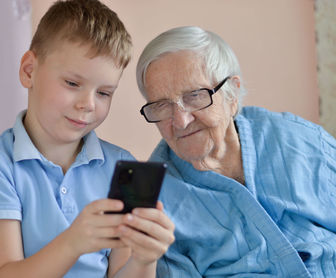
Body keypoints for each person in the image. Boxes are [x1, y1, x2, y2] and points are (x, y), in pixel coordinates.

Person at [0, 1, 174, 277]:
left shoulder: (123, 165)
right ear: (29, 71)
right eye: (73, 84)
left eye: (104, 93)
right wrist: (73, 242)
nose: (88, 104)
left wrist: (145, 260)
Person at [136, 26, 336, 277]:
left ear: (231, 94)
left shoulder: (299, 140)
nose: (181, 121)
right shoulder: (150, 194)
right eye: (162, 106)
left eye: (195, 96)